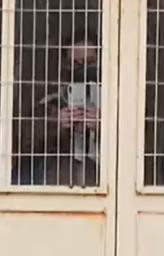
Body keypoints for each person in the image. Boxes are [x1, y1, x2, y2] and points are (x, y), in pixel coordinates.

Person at [13, 31, 101, 186]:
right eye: (77, 64)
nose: (84, 70)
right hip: (59, 188)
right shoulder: (50, 104)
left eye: (90, 62)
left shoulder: (116, 106)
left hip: (103, 189)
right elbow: (23, 144)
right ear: (66, 65)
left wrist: (103, 127)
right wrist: (55, 124)